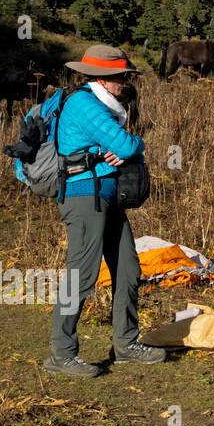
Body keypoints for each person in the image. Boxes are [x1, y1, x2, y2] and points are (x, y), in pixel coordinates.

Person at [44, 45, 164, 377]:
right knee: (80, 276)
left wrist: (128, 148)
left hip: (107, 197)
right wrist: (134, 146)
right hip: (85, 198)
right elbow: (126, 146)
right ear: (105, 78)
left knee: (128, 269)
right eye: (123, 77)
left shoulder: (103, 105)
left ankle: (126, 345)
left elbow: (124, 149)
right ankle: (61, 353)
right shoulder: (85, 104)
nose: (127, 83)